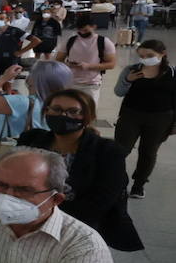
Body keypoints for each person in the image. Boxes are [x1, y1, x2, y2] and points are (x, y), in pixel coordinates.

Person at [15, 88, 141, 251]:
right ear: (47, 111)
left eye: (73, 111)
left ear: (87, 117)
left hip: (80, 227)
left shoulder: (107, 151)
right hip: (30, 219)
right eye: (57, 109)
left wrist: (52, 220)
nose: (64, 116)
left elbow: (102, 200)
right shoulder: (31, 139)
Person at [113, 39, 175, 199]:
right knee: (120, 149)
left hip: (161, 118)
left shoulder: (172, 73)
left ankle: (138, 185)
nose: (145, 59)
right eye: (142, 56)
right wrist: (128, 80)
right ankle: (115, 181)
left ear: (163, 54)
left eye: (150, 55)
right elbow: (118, 92)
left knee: (148, 152)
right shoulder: (131, 70)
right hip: (130, 115)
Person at [0, 60, 73, 140]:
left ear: (36, 79)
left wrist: (4, 78)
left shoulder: (21, 103)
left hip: (16, 159)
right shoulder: (63, 106)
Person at [59, 14, 117, 95]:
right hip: (71, 83)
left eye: (85, 30)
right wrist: (68, 65)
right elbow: (58, 61)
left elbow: (111, 64)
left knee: (89, 107)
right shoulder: (70, 41)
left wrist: (89, 66)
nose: (82, 33)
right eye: (79, 30)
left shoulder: (104, 42)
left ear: (94, 27)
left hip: (92, 84)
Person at [0, 11, 37, 77]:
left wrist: (21, 52)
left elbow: (36, 40)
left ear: (7, 19)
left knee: (7, 84)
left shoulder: (15, 31)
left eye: (1, 19)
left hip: (11, 61)